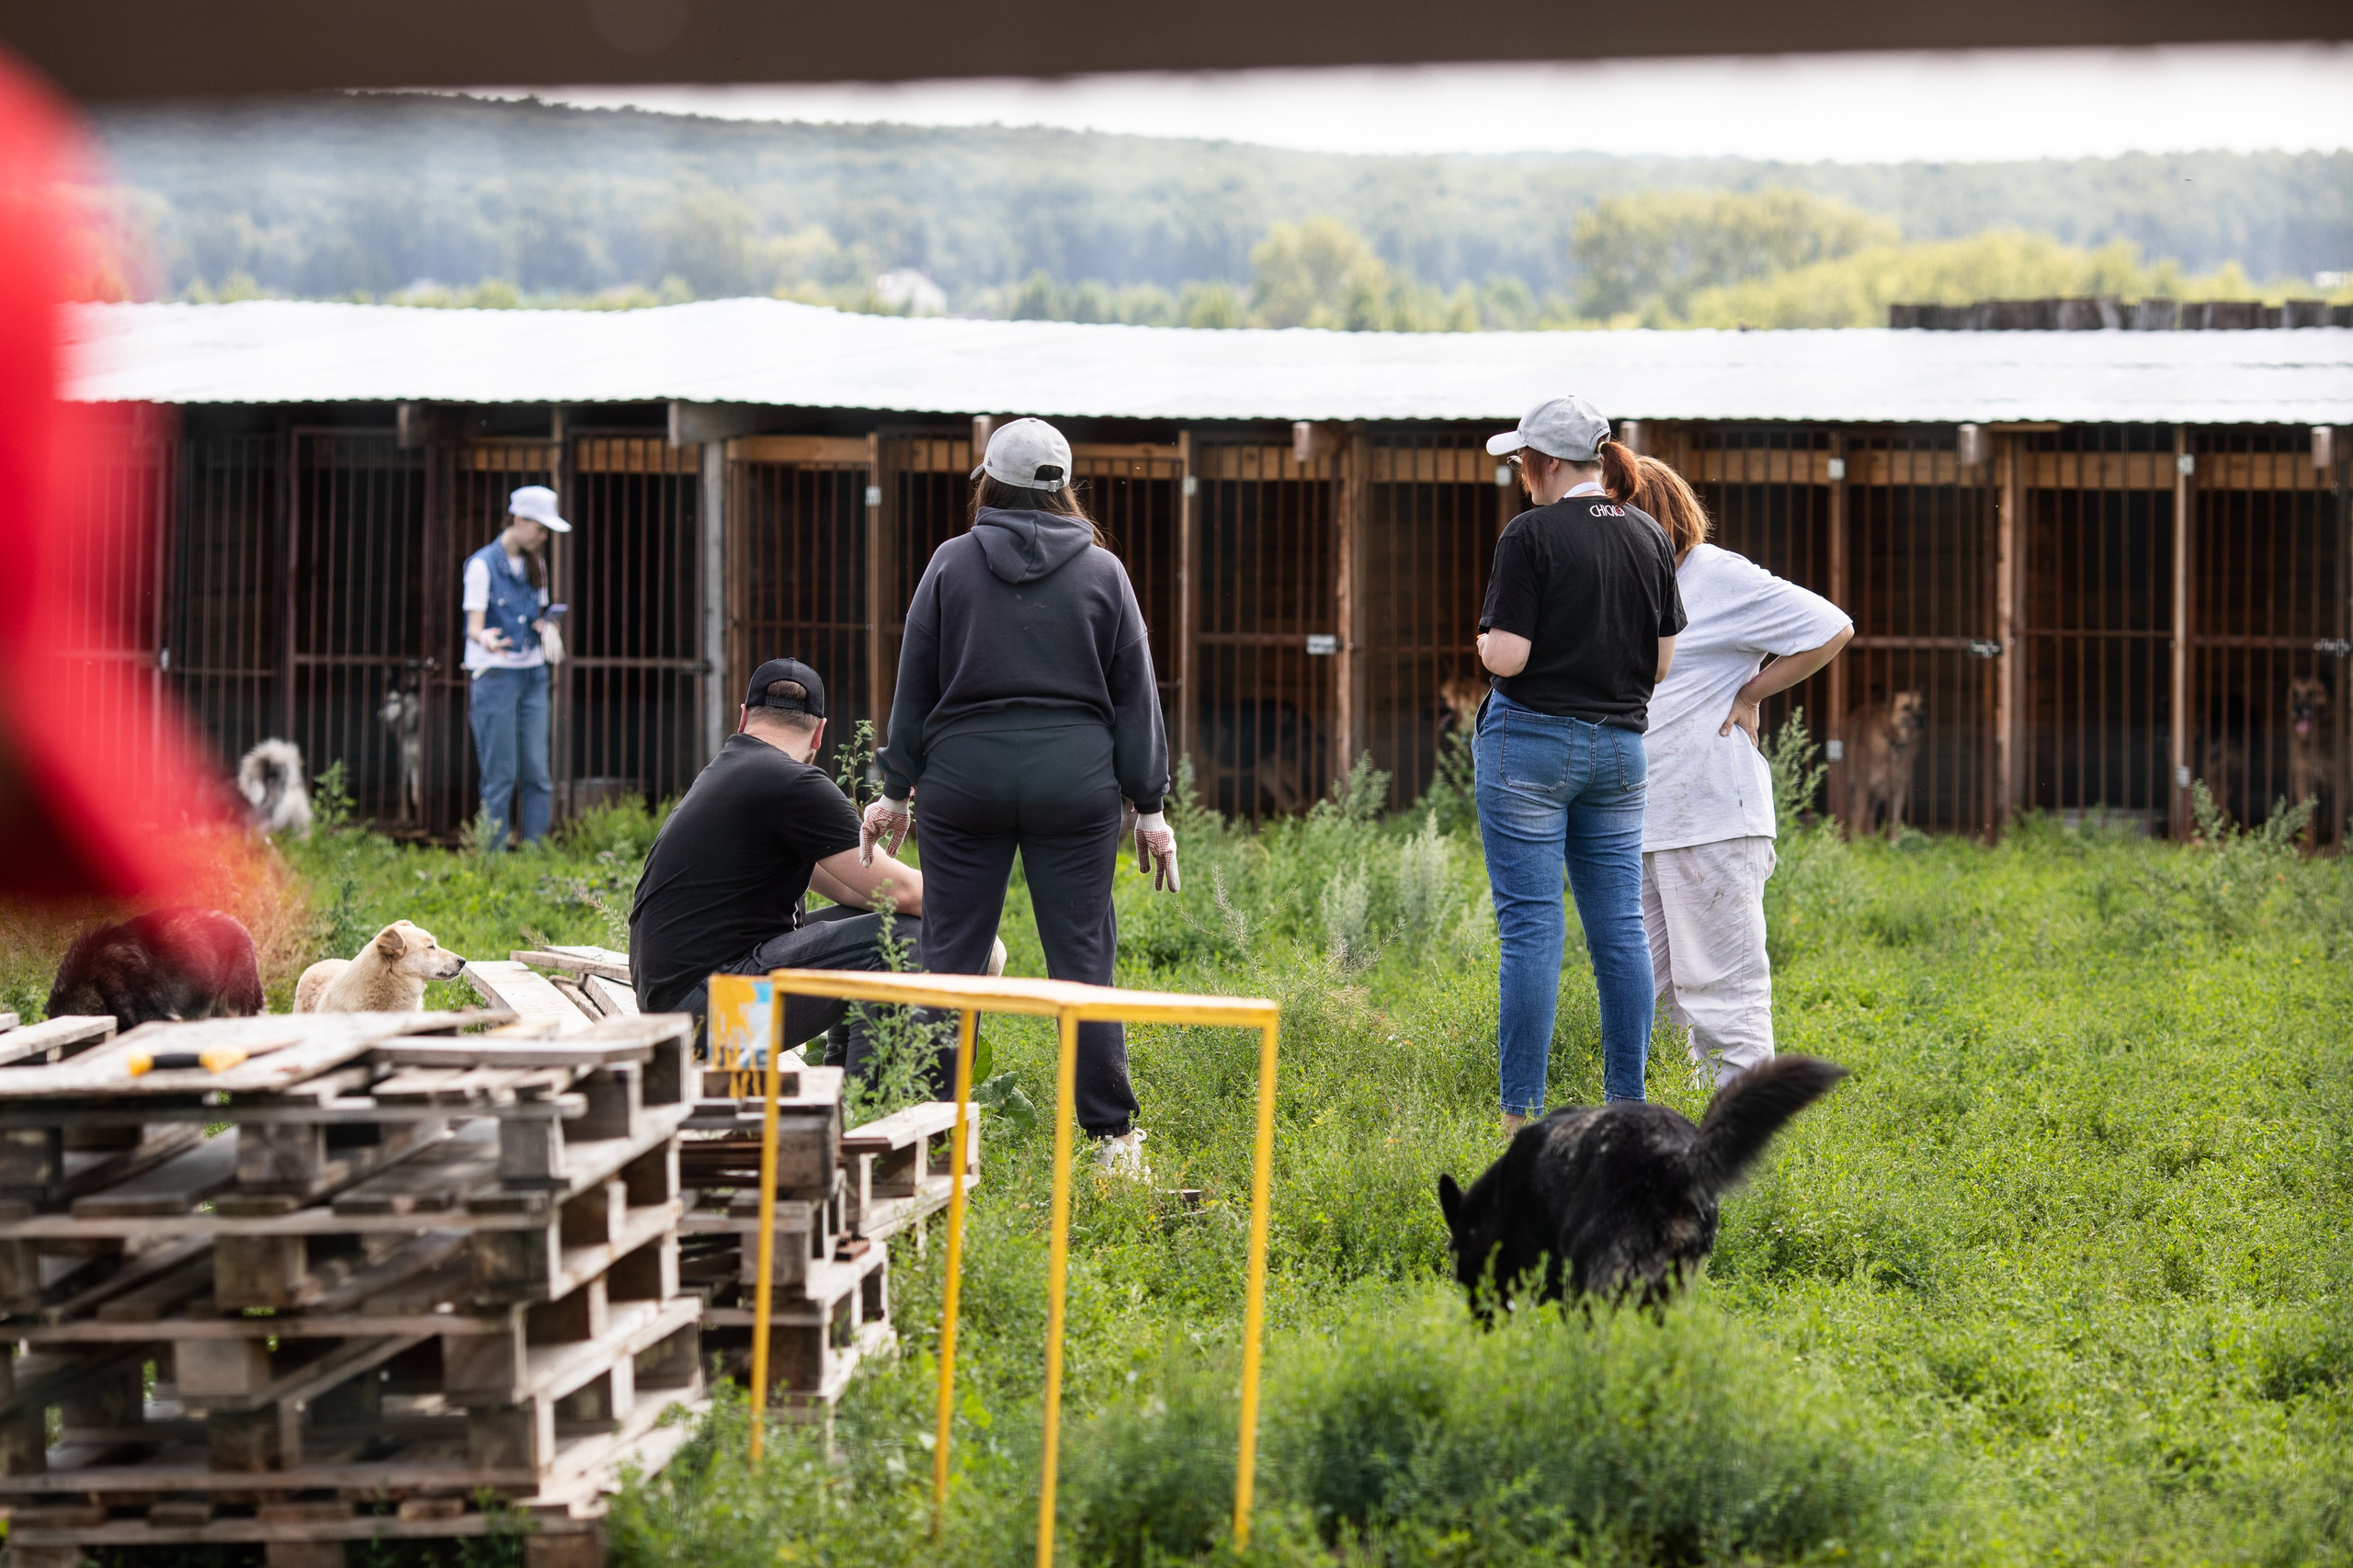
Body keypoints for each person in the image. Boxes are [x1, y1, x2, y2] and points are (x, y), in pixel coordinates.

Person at [861, 418, 1177, 1177]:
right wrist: (1153, 807)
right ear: (1063, 485)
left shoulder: (949, 564)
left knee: (949, 955)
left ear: (988, 482)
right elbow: (1137, 697)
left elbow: (916, 685)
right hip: (1075, 788)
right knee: (1083, 961)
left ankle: (934, 1135)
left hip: (964, 784)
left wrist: (893, 791)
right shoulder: (1106, 573)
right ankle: (1111, 1145)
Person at [1475, 397, 1686, 1131]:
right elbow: (1660, 665)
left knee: (1533, 930)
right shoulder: (1651, 537)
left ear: (1549, 464)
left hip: (1530, 745)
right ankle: (1627, 1109)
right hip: (1621, 753)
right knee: (1620, 930)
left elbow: (1509, 655)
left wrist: (1480, 646)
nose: (1519, 476)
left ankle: (1521, 1118)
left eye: (1522, 462)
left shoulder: (1529, 535)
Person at [1612, 455, 1852, 1089]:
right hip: (1635, 822)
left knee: (1722, 994)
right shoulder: (1622, 585)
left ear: (1649, 511)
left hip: (1712, 816)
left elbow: (1828, 626)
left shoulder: (1715, 575)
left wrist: (1753, 692)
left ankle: (1744, 1159)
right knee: (1656, 999)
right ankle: (1682, 1146)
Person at [629, 657, 927, 1074]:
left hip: (682, 1014)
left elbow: (858, 890)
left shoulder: (732, 771)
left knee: (875, 919)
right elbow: (905, 895)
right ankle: (871, 1115)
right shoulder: (793, 784)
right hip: (713, 1021)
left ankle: (838, 1090)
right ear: (820, 732)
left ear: (744, 717)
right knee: (913, 937)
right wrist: (975, 887)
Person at [463, 484, 563, 852]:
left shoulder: (536, 563)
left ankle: (535, 856)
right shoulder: (481, 565)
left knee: (537, 772)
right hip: (496, 676)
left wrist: (549, 628)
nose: (543, 536)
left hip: (533, 675)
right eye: (540, 527)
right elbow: (473, 626)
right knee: (500, 774)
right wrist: (485, 639)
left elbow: (539, 614)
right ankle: (493, 862)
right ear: (519, 519)